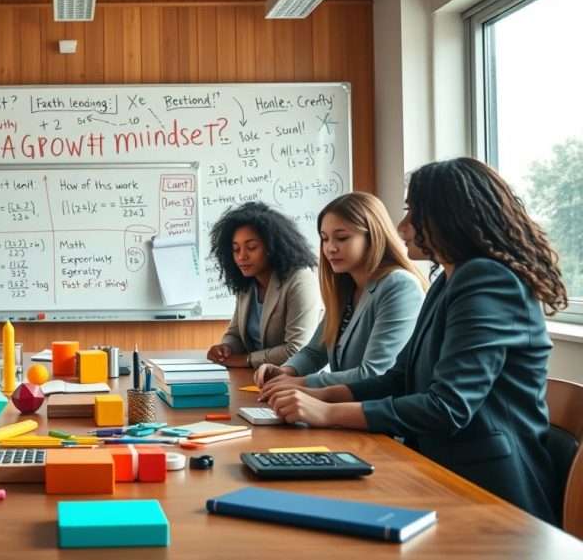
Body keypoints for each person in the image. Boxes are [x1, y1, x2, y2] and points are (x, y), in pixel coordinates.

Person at [263, 158, 567, 523]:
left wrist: (327, 413)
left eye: (413, 214)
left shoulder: (486, 279)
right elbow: (399, 378)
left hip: (489, 493)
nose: (402, 228)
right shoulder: (447, 281)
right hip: (437, 469)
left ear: (448, 217)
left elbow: (447, 407)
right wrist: (317, 395)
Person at [255, 193, 426, 392]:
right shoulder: (346, 287)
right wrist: (286, 371)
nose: (330, 248)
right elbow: (314, 352)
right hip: (347, 411)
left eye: (342, 238)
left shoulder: (399, 285)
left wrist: (300, 384)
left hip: (378, 415)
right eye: (324, 239)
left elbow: (375, 373)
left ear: (373, 236)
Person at [206, 202, 322, 368]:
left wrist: (246, 360)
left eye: (251, 247)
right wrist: (226, 349)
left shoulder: (300, 279)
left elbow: (297, 349)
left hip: (297, 381)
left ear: (272, 246)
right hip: (258, 378)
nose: (241, 256)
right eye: (236, 249)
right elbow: (235, 334)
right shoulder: (247, 281)